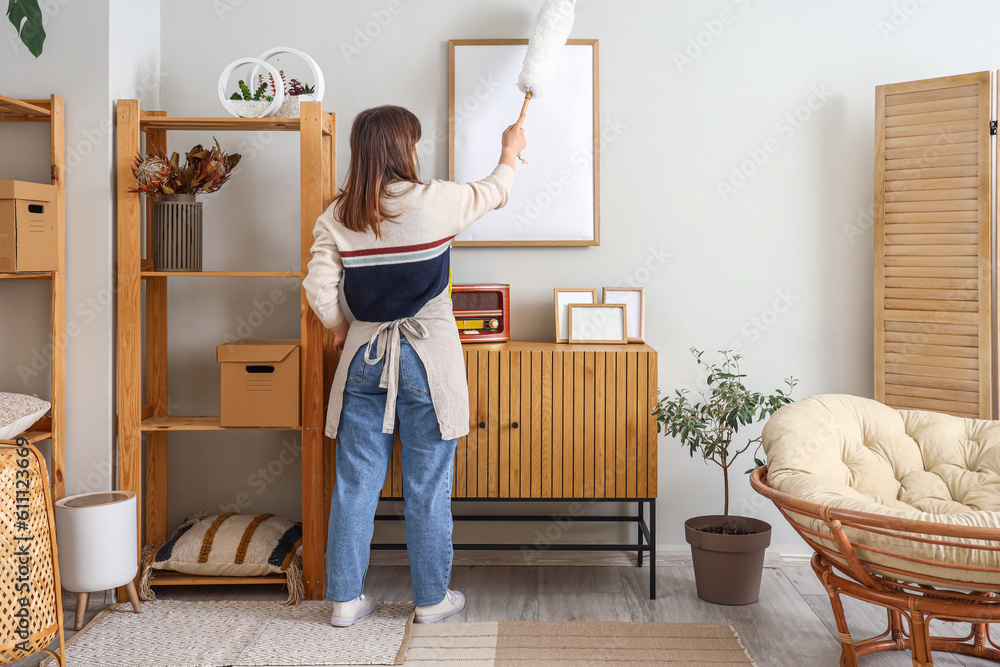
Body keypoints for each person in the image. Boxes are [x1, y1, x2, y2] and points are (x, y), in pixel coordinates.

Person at [303, 105, 526, 627]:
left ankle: (343, 601)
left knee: (355, 483)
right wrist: (510, 151)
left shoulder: (337, 214)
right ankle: (430, 601)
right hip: (430, 359)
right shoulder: (438, 201)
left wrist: (342, 328)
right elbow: (497, 189)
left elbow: (318, 289)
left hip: (363, 356)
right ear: (405, 148)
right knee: (428, 483)